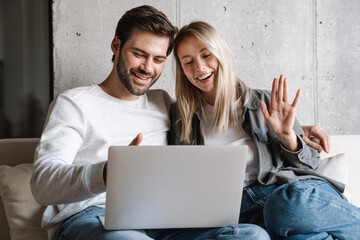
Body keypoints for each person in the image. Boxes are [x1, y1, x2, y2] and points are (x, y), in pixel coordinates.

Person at [30, 5, 272, 240]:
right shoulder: (74, 103)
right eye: (139, 54)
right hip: (92, 217)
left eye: (158, 59)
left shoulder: (162, 103)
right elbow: (42, 184)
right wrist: (107, 173)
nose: (147, 67)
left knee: (253, 235)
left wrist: (297, 133)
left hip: (161, 220)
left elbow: (216, 123)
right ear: (116, 46)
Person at [168, 21, 360, 239]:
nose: (199, 68)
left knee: (285, 204)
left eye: (206, 55)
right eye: (188, 61)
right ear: (182, 70)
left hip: (283, 198)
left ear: (221, 54)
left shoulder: (265, 102)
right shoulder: (180, 117)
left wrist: (288, 137)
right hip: (241, 215)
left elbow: (313, 167)